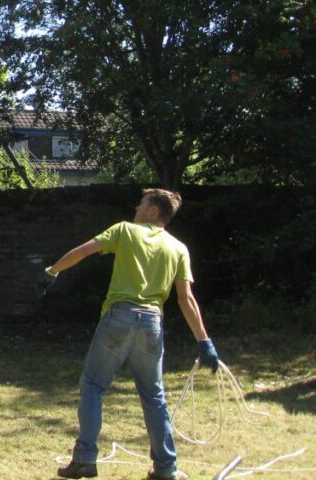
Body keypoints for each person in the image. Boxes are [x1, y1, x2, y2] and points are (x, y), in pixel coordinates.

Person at [45, 189, 220, 480]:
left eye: (142, 203)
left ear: (153, 210)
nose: (136, 207)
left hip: (119, 317)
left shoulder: (125, 230)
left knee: (92, 384)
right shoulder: (178, 248)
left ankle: (85, 459)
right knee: (154, 396)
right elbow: (185, 299)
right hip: (152, 323)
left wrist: (52, 271)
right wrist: (204, 341)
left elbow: (83, 250)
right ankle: (166, 468)